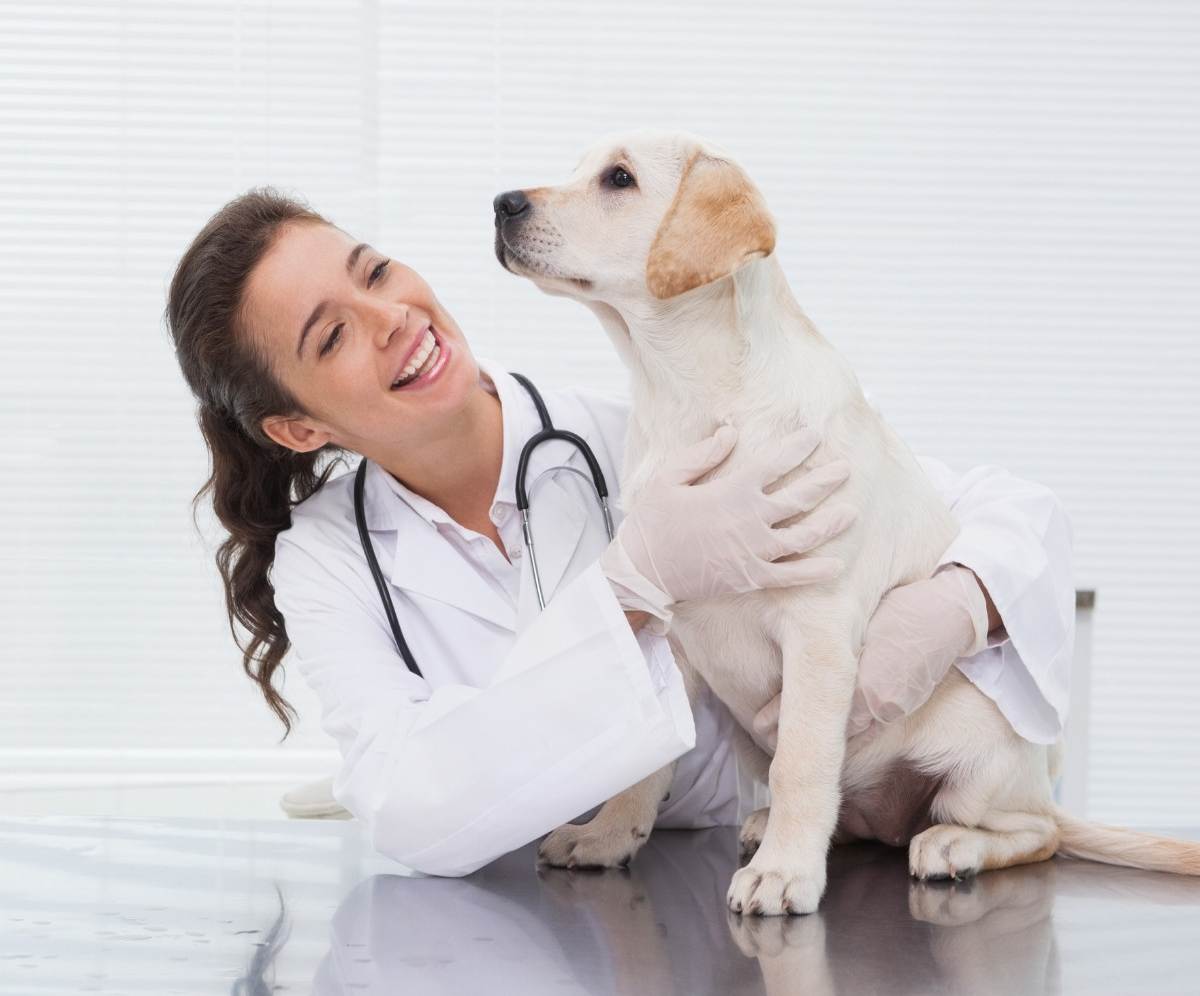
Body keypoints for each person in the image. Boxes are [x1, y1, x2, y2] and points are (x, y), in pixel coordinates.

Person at [167, 189, 1075, 877]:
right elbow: (410, 809)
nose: (392, 317)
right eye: (332, 338)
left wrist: (961, 602)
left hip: (766, 871)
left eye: (374, 271)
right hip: (555, 915)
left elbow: (999, 506)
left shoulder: (649, 429)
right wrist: (632, 582)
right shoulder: (327, 560)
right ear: (299, 430)